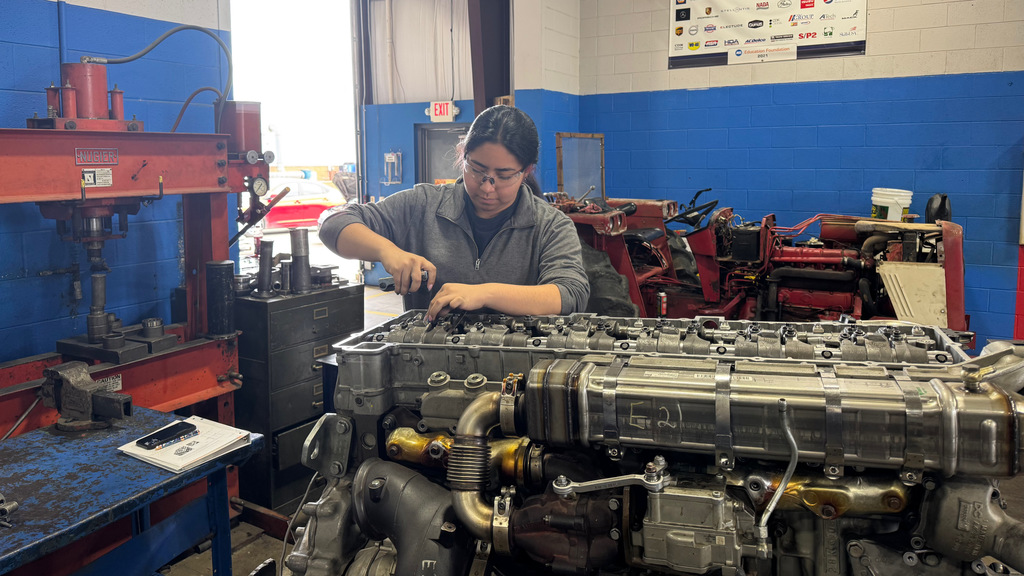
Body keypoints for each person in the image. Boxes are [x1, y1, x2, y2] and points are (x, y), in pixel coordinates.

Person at [318, 105, 589, 321]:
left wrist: (485, 294)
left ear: (526, 171)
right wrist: (387, 251)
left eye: (503, 176)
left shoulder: (550, 226)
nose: (486, 187)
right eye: (477, 170)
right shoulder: (423, 206)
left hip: (520, 376)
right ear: (462, 155)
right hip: (429, 370)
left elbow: (569, 293)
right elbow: (334, 223)